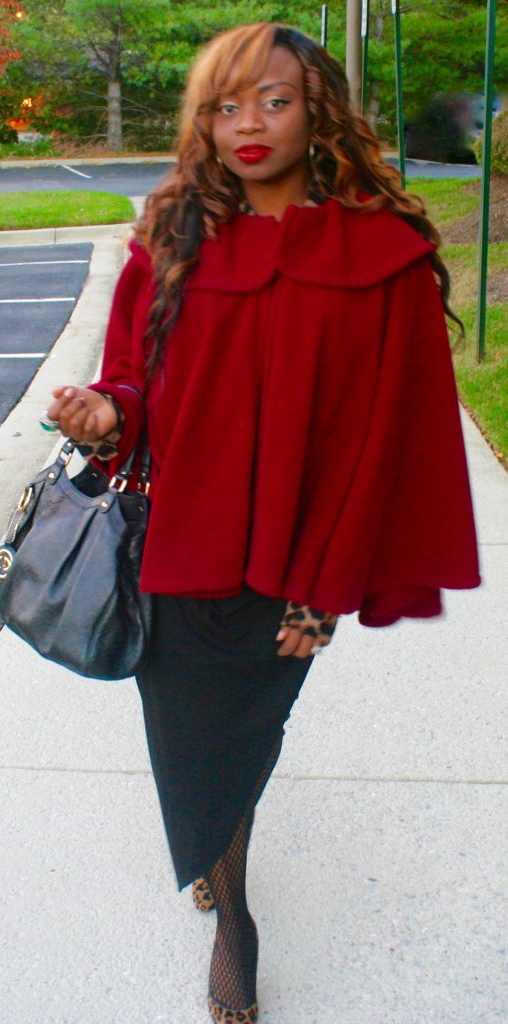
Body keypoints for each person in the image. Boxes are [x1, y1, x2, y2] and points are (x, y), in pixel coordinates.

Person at [47, 22, 480, 1024]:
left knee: (245, 732)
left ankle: (215, 856)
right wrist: (106, 413)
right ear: (203, 120)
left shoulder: (382, 257)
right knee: (194, 737)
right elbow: (133, 387)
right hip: (180, 547)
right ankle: (233, 919)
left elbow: (384, 440)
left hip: (296, 559)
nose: (249, 124)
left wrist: (326, 594)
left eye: (273, 100)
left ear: (315, 107)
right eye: (225, 104)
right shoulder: (173, 239)